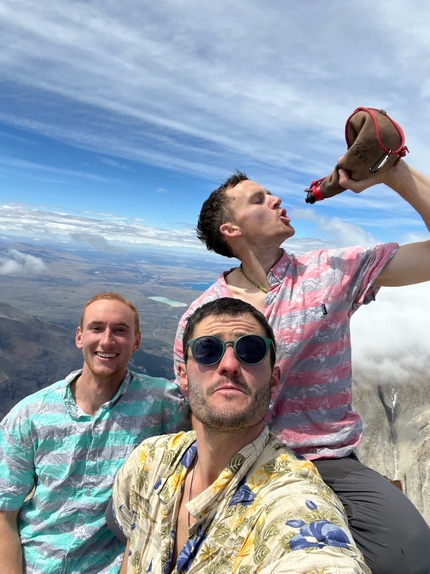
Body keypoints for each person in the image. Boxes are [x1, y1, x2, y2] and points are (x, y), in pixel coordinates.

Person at [173, 160, 430, 574]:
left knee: (412, 551)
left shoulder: (332, 271)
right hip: (235, 460)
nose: (276, 199)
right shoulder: (201, 316)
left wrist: (393, 173)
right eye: (259, 199)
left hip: (327, 460)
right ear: (231, 230)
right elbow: (198, 407)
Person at [112, 298, 369, 573]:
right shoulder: (147, 462)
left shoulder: (290, 500)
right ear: (183, 376)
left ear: (273, 380)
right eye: (208, 349)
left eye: (251, 350)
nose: (230, 364)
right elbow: (134, 548)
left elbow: (317, 556)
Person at [0, 292, 190, 574]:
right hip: (34, 563)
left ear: (136, 341)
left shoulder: (163, 403)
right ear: (79, 337)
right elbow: (5, 512)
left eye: (120, 331)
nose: (107, 340)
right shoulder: (30, 414)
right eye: (97, 328)